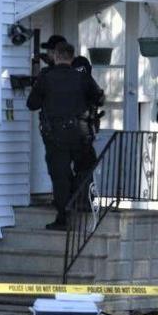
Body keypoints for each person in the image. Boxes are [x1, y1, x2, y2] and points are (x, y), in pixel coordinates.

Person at [26, 41, 105, 230]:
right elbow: (99, 99)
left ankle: (64, 217)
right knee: (85, 169)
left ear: (56, 56)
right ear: (71, 56)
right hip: (81, 134)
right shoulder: (82, 77)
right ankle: (83, 204)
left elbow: (32, 104)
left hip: (55, 136)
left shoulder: (47, 77)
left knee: (60, 176)